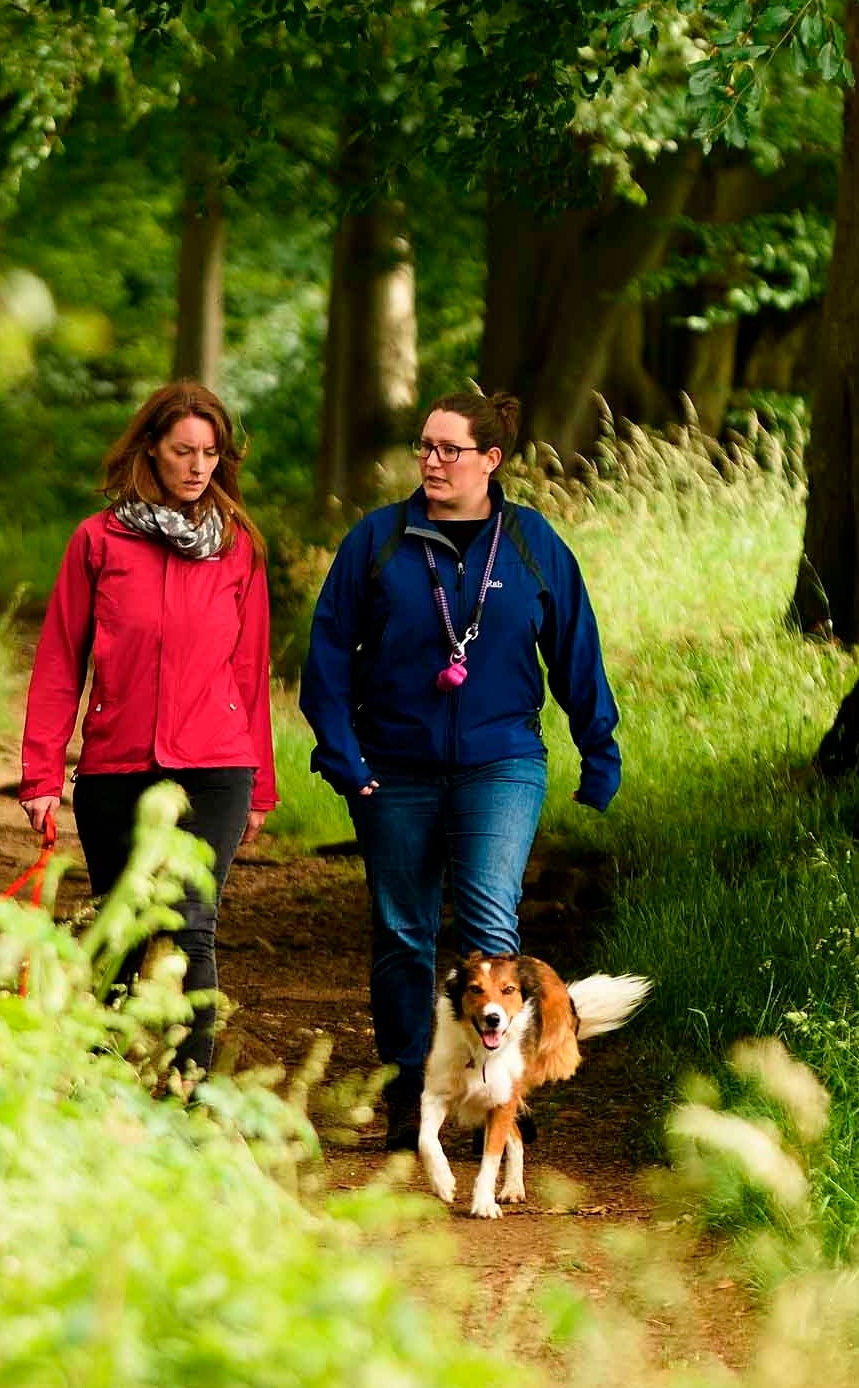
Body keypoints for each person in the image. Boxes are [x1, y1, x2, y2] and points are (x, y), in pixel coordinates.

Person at [298, 389, 620, 1151]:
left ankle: (496, 1098)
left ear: (491, 460)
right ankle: (412, 1089)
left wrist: (597, 751)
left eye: (449, 449)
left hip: (500, 762)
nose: (432, 462)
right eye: (425, 448)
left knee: (489, 929)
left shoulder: (532, 543)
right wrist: (344, 756)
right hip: (393, 766)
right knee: (402, 932)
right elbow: (327, 657)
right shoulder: (377, 541)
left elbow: (576, 650)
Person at [20, 381, 278, 1080]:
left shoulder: (239, 548)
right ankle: (102, 1082)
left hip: (216, 767)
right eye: (183, 451)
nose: (198, 466)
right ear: (151, 450)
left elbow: (251, 672)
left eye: (210, 453)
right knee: (121, 924)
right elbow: (57, 662)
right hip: (116, 766)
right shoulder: (98, 541)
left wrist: (262, 788)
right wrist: (41, 775)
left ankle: (186, 1092)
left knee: (190, 927)